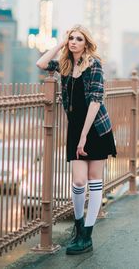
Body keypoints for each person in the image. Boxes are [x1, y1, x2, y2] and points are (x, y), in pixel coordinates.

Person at [36, 24, 117, 255]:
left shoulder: (94, 65)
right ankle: (78, 225)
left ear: (86, 43)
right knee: (79, 181)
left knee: (94, 179)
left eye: (78, 39)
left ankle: (87, 235)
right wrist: (59, 45)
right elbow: (41, 64)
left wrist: (83, 137)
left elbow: (95, 101)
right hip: (75, 129)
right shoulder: (65, 65)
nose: (74, 42)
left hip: (95, 129)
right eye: (71, 38)